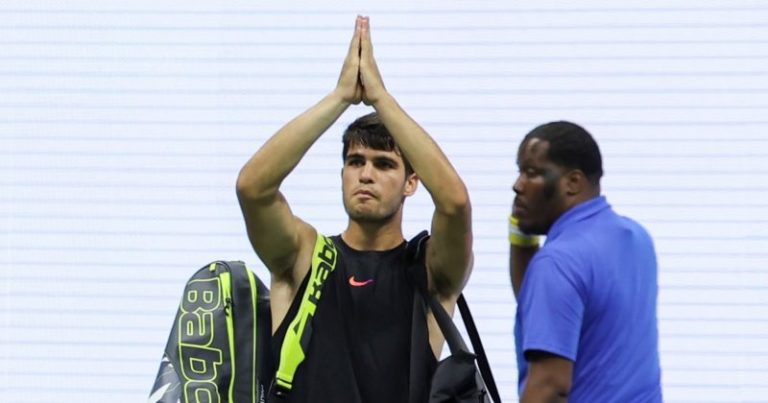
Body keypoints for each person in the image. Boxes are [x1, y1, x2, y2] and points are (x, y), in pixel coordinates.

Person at [236, 16, 473, 403]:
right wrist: (339, 98)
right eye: (355, 161)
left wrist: (381, 97)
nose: (365, 174)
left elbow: (455, 203)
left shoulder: (428, 270)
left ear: (412, 182)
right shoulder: (305, 256)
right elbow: (253, 187)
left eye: (384, 164)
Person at [508, 121, 663, 402]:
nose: (517, 185)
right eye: (519, 172)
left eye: (531, 173)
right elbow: (542, 314)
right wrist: (520, 226)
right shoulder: (637, 238)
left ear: (573, 182)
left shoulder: (557, 263)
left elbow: (550, 386)